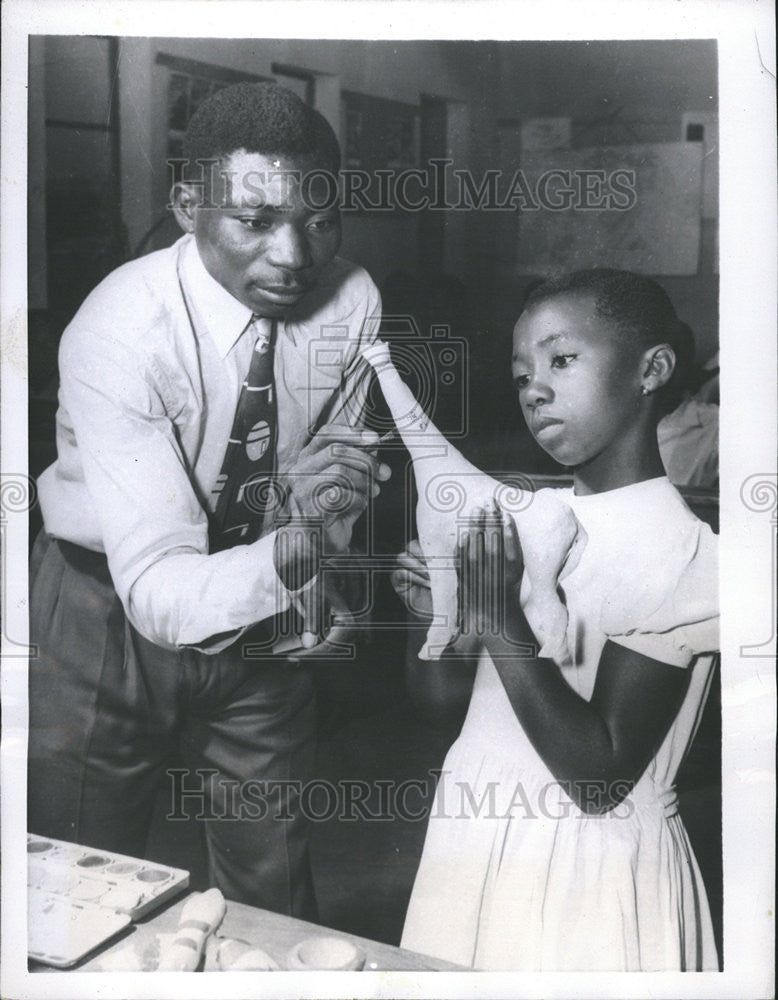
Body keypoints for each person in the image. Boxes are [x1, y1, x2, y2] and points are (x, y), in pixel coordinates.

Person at [28, 81, 390, 919]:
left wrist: (315, 566)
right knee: (82, 884)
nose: (294, 257)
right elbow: (160, 589)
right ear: (190, 204)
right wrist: (301, 556)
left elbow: (335, 473)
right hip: (106, 607)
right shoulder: (121, 328)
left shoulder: (355, 297)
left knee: (275, 885)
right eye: (256, 222)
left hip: (260, 600)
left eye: (320, 220)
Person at [392, 269, 719, 970]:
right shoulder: (526, 516)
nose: (535, 387)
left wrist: (500, 618)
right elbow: (442, 708)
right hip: (474, 842)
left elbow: (598, 775)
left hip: (588, 874)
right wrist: (435, 612)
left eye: (561, 361)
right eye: (520, 375)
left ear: (651, 370)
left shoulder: (681, 548)